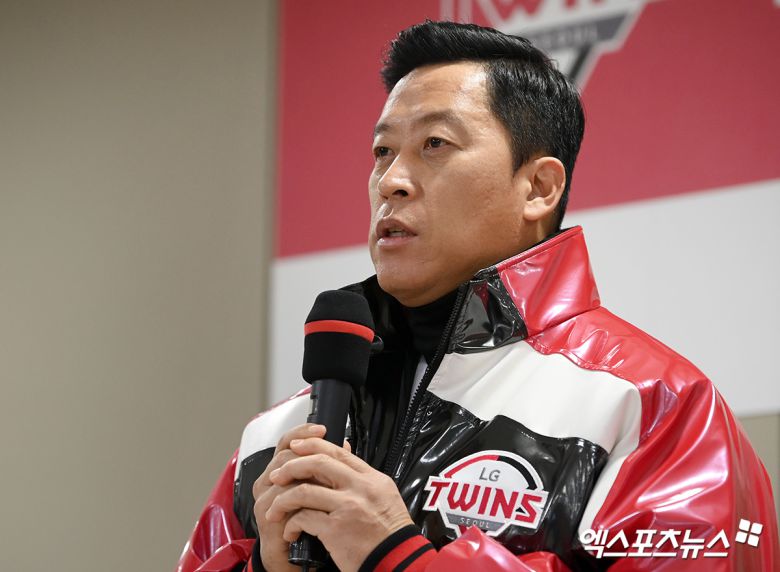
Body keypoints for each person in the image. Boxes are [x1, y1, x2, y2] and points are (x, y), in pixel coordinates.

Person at [176, 21, 778, 572]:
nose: (391, 181)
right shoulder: (274, 437)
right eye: (382, 151)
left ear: (538, 187)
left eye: (435, 144)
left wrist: (397, 558)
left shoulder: (655, 407)